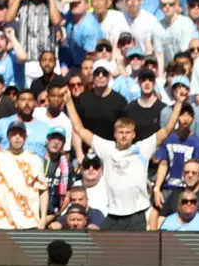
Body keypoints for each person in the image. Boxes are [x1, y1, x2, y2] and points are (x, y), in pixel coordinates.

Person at [65, 80, 189, 231]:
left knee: (136, 254)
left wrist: (178, 103)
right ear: (115, 134)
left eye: (127, 133)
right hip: (113, 215)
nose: (124, 136)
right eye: (121, 132)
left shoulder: (143, 147)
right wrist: (69, 102)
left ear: (133, 134)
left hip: (136, 215)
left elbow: (167, 129)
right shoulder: (106, 148)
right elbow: (79, 128)